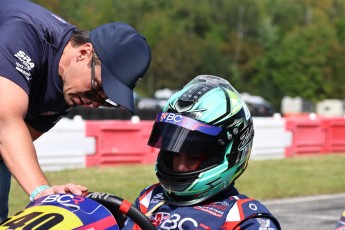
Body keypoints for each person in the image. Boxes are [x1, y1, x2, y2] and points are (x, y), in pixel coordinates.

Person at [0, 0, 151, 221]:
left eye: (104, 99)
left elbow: (12, 144)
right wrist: (42, 193)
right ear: (83, 53)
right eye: (97, 89)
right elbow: (5, 122)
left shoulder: (72, 85)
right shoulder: (25, 32)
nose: (93, 103)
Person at [123, 75, 281, 229]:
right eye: (174, 153)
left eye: (194, 155)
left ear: (230, 153)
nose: (180, 166)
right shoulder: (150, 199)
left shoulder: (242, 218)